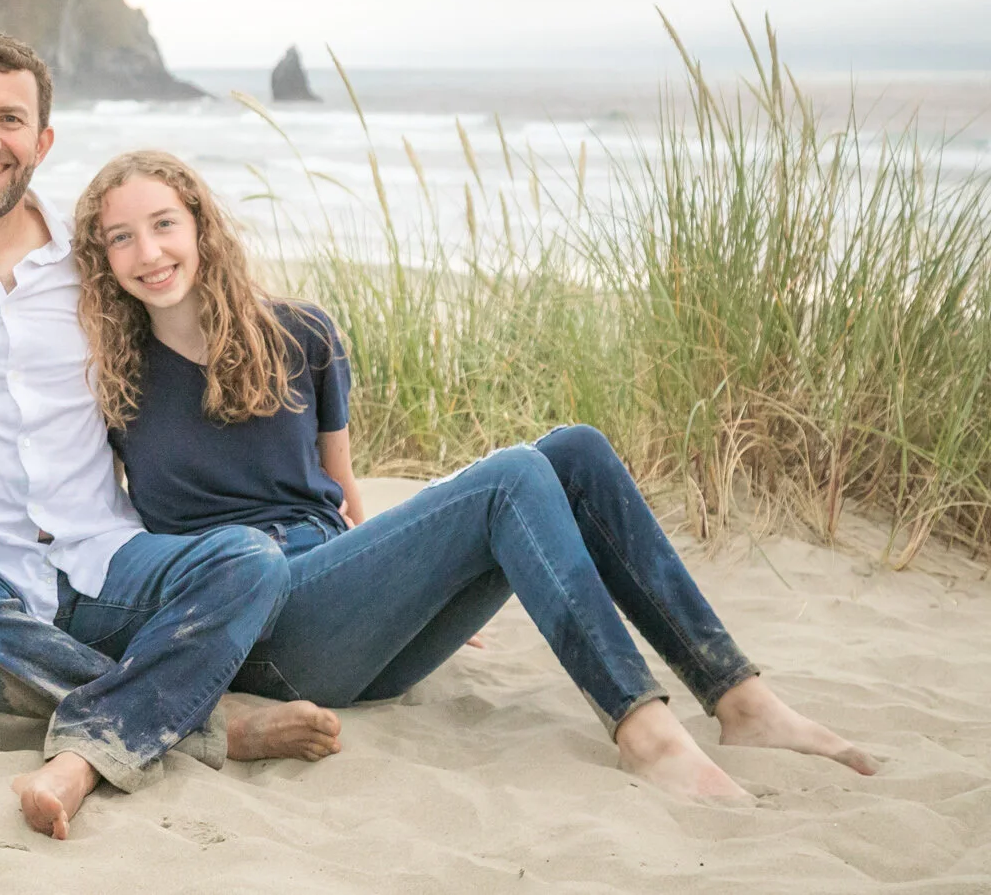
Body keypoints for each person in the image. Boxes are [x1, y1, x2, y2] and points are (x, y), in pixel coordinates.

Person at [72, 148, 880, 802]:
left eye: (164, 224)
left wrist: (415, 580)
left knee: (577, 449)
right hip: (259, 626)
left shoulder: (303, 332)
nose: (149, 253)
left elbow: (340, 494)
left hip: (353, 616)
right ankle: (645, 731)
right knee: (510, 477)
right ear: (102, 260)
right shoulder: (112, 377)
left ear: (202, 227)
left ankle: (738, 697)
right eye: (121, 238)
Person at [0, 33, 342, 841]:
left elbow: (205, 307)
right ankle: (207, 724)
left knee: (249, 556)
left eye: (11, 119)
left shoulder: (93, 263)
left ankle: (116, 734)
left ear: (42, 142)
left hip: (105, 560)